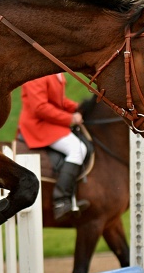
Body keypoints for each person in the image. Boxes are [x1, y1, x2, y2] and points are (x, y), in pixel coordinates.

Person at [17, 73, 90, 217]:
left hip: (50, 122)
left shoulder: (56, 73)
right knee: (78, 149)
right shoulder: (37, 73)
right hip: (38, 125)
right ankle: (61, 200)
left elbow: (59, 101)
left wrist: (78, 108)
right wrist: (70, 118)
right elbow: (40, 107)